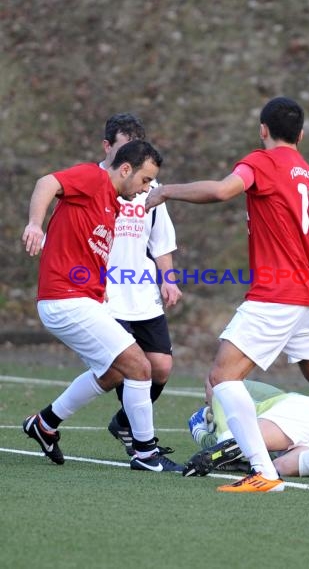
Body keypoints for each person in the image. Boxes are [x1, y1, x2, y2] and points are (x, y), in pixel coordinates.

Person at [145, 96, 309, 492]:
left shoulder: (263, 162)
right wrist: (304, 285)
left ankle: (264, 473)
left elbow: (222, 191)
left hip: (276, 295)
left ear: (263, 130)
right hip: (308, 297)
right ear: (300, 134)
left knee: (222, 377)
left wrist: (166, 192)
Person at [22, 139, 182, 472]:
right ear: (125, 169)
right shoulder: (92, 179)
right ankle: (145, 453)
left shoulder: (113, 203)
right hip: (64, 299)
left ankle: (45, 423)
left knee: (112, 372)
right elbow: (47, 183)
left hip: (82, 300)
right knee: (140, 366)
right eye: (144, 180)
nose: (146, 189)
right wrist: (35, 224)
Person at [100, 113, 182, 458]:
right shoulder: (91, 183)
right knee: (128, 368)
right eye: (124, 149)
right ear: (108, 148)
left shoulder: (148, 185)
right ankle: (142, 441)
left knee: (160, 366)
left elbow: (161, 241)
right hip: (106, 294)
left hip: (142, 293)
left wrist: (169, 280)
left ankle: (124, 422)